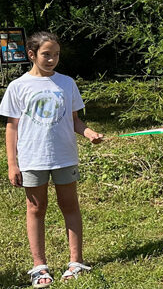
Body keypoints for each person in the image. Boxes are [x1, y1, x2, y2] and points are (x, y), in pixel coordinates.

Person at [1, 31, 104, 288]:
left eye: (56, 55)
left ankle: (76, 262)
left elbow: (75, 121)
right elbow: (11, 128)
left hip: (64, 156)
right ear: (32, 55)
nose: (52, 59)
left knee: (69, 205)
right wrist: (12, 163)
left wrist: (88, 132)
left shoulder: (67, 83)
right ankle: (39, 266)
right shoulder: (18, 86)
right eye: (46, 54)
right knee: (36, 209)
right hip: (32, 158)